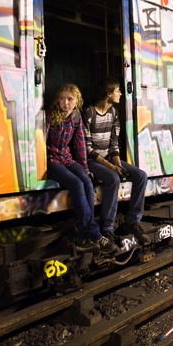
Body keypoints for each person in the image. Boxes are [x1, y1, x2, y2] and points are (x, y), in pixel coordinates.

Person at [46, 84, 118, 255]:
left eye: (70, 99)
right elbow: (40, 140)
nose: (65, 102)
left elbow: (80, 145)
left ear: (76, 100)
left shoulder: (77, 116)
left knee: (86, 181)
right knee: (76, 184)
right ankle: (93, 234)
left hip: (66, 157)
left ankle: (84, 237)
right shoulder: (50, 115)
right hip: (51, 160)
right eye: (62, 98)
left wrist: (85, 168)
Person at [83, 77, 151, 246]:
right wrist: (112, 167)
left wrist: (118, 166)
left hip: (108, 158)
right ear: (108, 93)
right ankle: (106, 228)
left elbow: (114, 145)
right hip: (92, 160)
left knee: (140, 176)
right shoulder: (88, 113)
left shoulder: (114, 113)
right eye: (118, 90)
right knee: (113, 178)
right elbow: (88, 150)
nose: (121, 93)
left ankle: (133, 221)